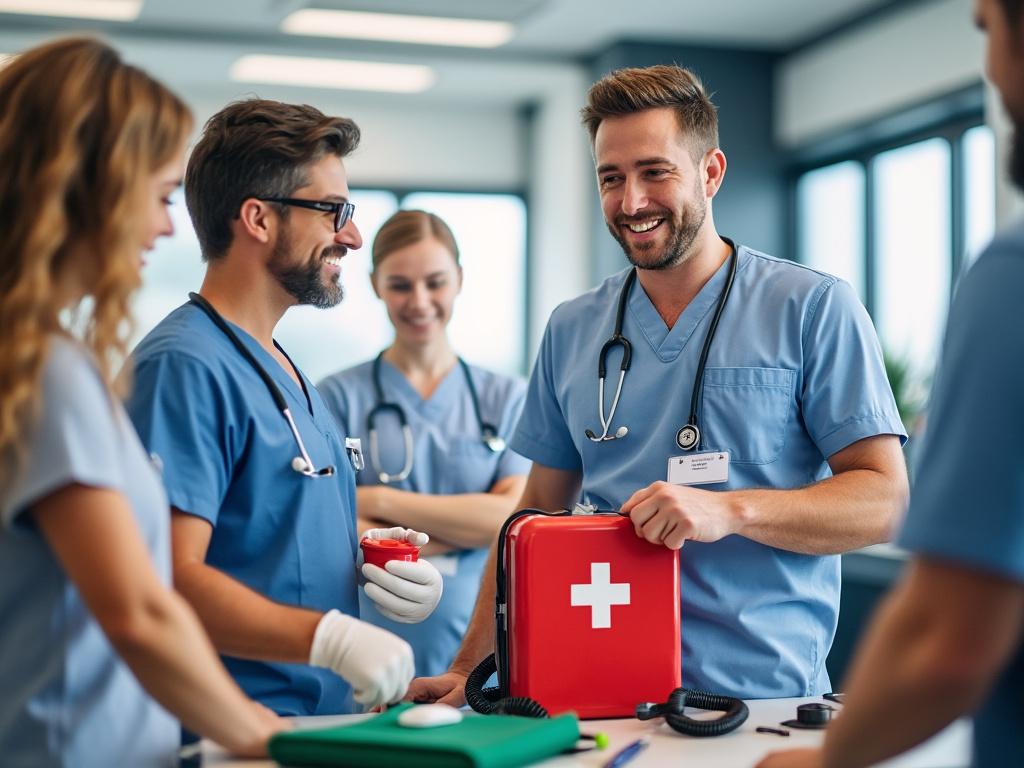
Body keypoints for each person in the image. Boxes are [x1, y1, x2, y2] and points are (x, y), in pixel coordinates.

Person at [408, 64, 910, 706]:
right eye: (611, 178)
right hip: (592, 691)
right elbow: (530, 517)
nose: (631, 201)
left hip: (759, 702)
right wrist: (467, 665)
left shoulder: (811, 307)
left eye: (655, 172)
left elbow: (885, 503)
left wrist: (728, 510)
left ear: (711, 173)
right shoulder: (572, 328)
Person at [0, 38, 286, 767]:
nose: (166, 227)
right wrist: (261, 735)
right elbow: (139, 611)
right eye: (158, 197)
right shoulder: (46, 371)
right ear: (88, 188)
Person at [758, 1, 1024, 765]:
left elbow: (948, 641)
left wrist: (826, 761)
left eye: (990, 32)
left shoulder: (1011, 280)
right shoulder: (581, 325)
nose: (992, 71)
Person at [125, 99, 443, 716]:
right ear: (258, 219)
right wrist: (330, 639)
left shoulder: (289, 372)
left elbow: (262, 538)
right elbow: (164, 578)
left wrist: (368, 557)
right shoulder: (184, 368)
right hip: (231, 731)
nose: (350, 236)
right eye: (333, 211)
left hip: (324, 723)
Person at [318, 210, 530, 677]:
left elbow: (509, 518)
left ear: (459, 279)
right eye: (399, 285)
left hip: (484, 661)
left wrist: (378, 500)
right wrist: (464, 532)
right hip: (368, 659)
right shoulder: (336, 397)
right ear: (374, 284)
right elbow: (329, 524)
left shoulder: (506, 398)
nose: (419, 301)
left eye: (435, 282)